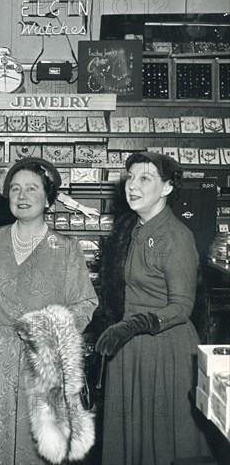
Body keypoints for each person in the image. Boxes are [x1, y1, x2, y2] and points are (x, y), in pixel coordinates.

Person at [0, 157, 98, 464]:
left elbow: (85, 303)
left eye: (32, 188)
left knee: (36, 445)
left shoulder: (65, 248)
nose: (22, 196)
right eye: (15, 189)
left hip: (41, 364)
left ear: (48, 198)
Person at [95, 152, 210, 465]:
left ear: (167, 188)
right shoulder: (135, 228)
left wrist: (131, 325)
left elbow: (182, 307)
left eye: (144, 178)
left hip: (164, 351)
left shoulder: (176, 236)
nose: (133, 185)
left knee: (162, 443)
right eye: (131, 177)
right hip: (132, 350)